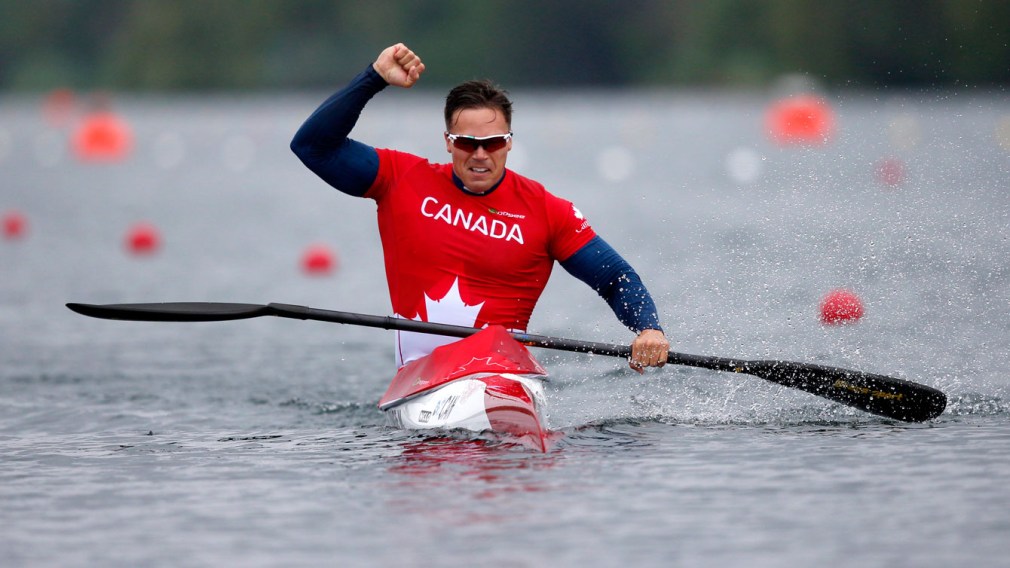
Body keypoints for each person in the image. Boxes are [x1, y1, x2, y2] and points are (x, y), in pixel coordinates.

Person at [291, 43, 669, 372]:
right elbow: (312, 146)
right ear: (447, 141)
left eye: (493, 142)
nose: (480, 154)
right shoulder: (400, 179)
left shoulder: (547, 211)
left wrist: (648, 329)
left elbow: (615, 278)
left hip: (506, 377)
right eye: (466, 143)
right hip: (423, 379)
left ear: (509, 142)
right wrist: (373, 78)